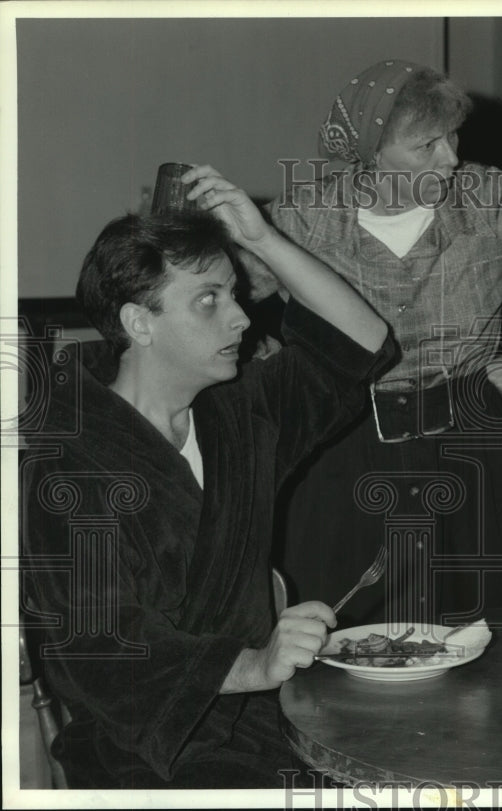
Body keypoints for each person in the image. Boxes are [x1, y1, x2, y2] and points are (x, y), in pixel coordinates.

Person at [21, 166, 391, 788]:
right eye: (209, 300)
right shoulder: (69, 464)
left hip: (268, 720)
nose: (243, 319)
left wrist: (265, 239)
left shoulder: (239, 414)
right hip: (140, 755)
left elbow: (363, 342)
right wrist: (254, 664)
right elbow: (104, 652)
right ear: (140, 324)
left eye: (236, 293)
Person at [255, 59, 502, 625]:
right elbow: (228, 290)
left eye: (452, 137)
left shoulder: (492, 200)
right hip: (341, 445)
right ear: (372, 152)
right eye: (426, 145)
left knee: (485, 633)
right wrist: (265, 363)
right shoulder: (303, 219)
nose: (450, 158)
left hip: (469, 442)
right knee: (342, 629)